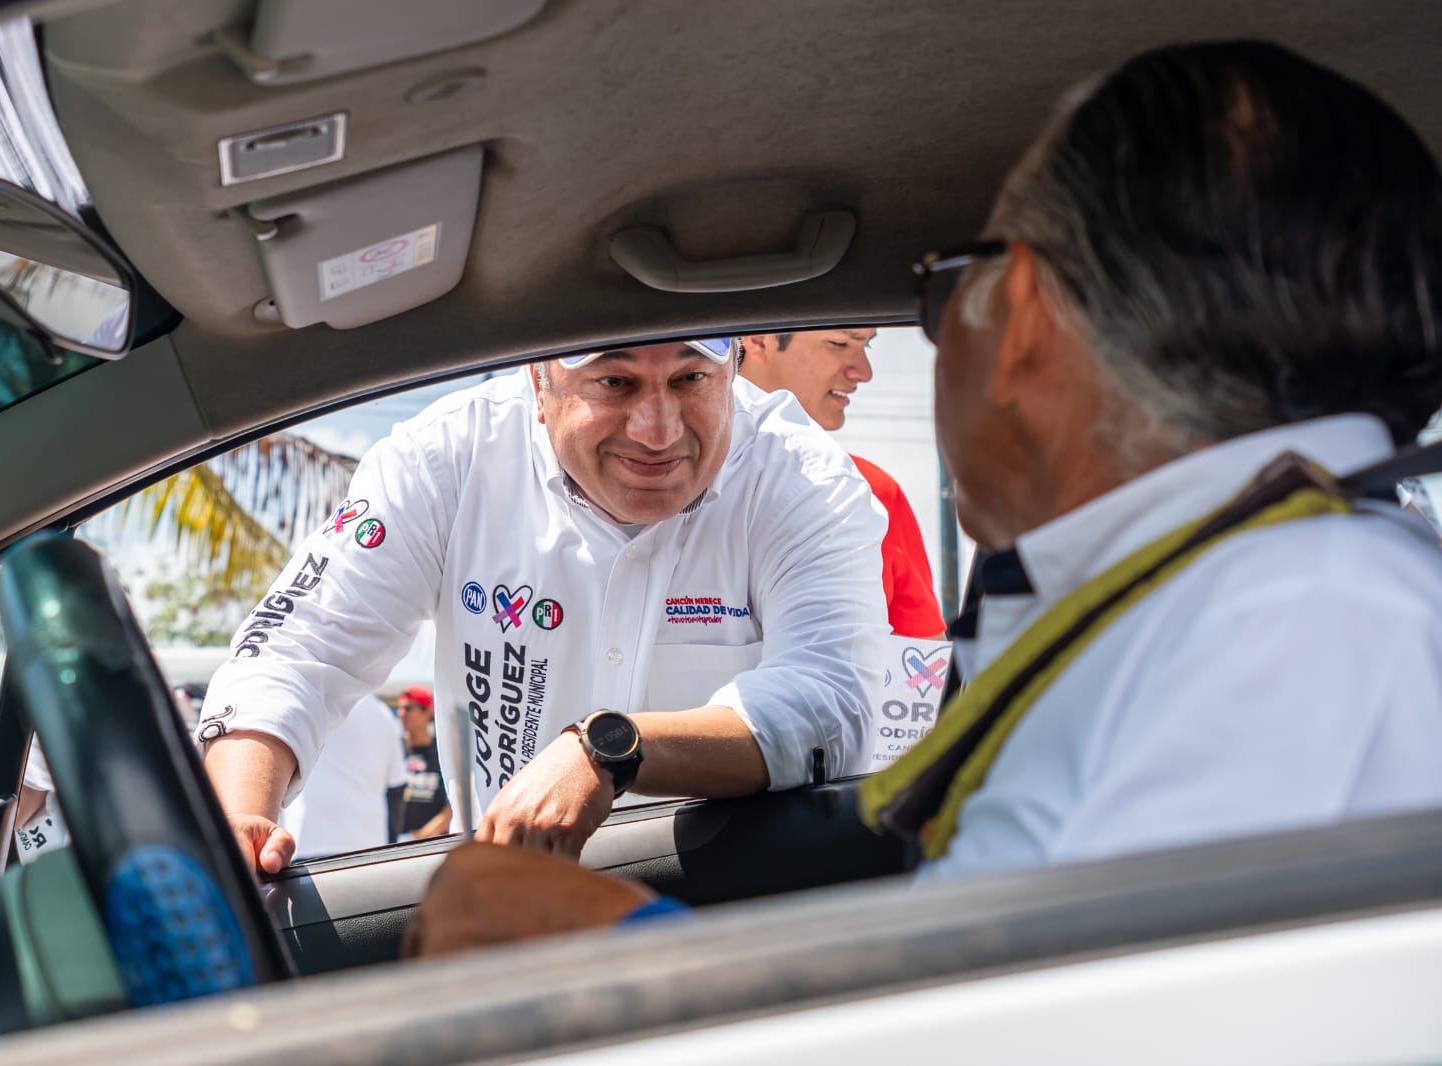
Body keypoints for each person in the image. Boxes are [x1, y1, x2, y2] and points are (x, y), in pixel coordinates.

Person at [406, 38, 1442, 953]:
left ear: (1021, 309)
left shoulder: (1302, 624)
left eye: (950, 286)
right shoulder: (1269, 600)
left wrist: (601, 945)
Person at [202, 338, 889, 871]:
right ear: (538, 382)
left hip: (727, 905)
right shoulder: (446, 457)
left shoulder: (803, 477)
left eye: (690, 380)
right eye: (615, 383)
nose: (658, 429)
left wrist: (609, 751)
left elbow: (834, 702)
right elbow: (300, 650)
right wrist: (240, 822)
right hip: (510, 909)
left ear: (734, 371)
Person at [739, 330, 944, 636]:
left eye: (867, 345)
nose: (864, 371)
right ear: (757, 340)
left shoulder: (874, 495)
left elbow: (925, 671)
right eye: (839, 344)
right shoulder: (668, 496)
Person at [277, 693, 409, 858]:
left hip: (307, 841)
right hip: (371, 848)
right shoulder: (383, 714)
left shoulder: (303, 703)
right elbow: (396, 786)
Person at [394, 685, 451, 840]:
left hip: (430, 846)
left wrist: (420, 837)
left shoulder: (441, 752)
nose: (401, 714)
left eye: (408, 708)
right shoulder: (394, 750)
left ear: (427, 712)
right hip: (392, 846)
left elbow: (452, 806)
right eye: (399, 708)